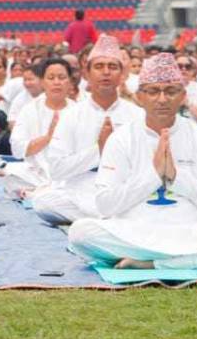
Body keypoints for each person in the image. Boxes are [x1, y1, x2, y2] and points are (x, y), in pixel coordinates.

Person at [68, 54, 197, 271]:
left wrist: (177, 177)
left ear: (183, 96)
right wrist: (153, 176)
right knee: (80, 233)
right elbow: (106, 205)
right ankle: (181, 264)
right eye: (153, 91)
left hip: (190, 233)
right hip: (134, 232)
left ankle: (154, 264)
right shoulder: (122, 138)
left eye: (171, 91)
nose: (162, 99)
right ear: (140, 97)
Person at [33, 37, 143, 225]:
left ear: (123, 74)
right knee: (43, 203)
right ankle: (114, 220)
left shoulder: (137, 115)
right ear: (87, 74)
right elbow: (57, 170)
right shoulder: (71, 115)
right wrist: (98, 151)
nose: (106, 72)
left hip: (123, 188)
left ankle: (107, 219)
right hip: (81, 189)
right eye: (99, 66)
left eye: (112, 67)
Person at [4, 59, 79, 196]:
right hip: (37, 173)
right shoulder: (29, 110)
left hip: (69, 174)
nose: (56, 82)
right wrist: (48, 137)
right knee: (11, 173)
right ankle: (48, 192)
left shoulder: (79, 111)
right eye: (51, 78)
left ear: (69, 82)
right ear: (43, 82)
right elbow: (17, 149)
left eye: (61, 77)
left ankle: (41, 193)